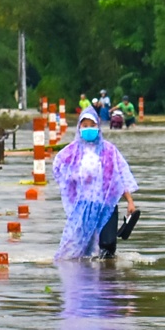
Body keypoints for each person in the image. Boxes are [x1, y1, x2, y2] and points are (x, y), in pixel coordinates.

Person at [52, 107, 138, 261]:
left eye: (92, 125)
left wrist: (130, 201)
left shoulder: (109, 151)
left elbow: (121, 176)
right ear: (79, 128)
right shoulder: (71, 152)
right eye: (85, 125)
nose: (88, 129)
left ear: (98, 127)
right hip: (83, 207)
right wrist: (73, 178)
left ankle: (106, 279)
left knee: (107, 245)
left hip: (107, 205)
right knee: (77, 250)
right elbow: (58, 168)